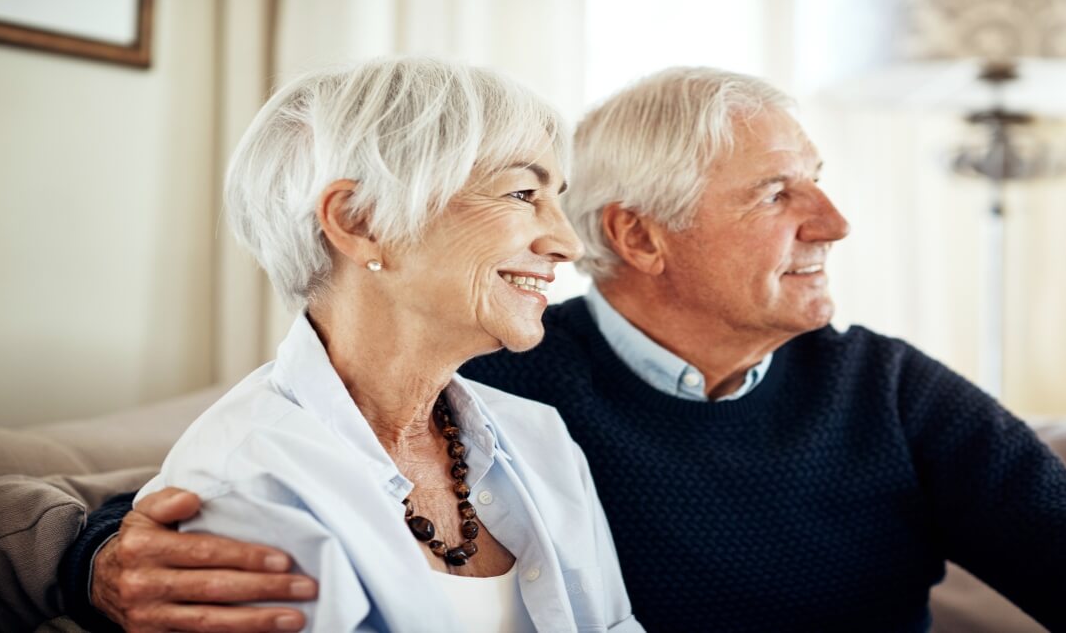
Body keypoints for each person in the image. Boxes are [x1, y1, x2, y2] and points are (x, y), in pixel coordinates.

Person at [16, 67, 1066, 632]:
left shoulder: (878, 385)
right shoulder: (500, 366)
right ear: (644, 235)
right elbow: (291, 464)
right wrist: (97, 555)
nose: (833, 223)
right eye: (780, 193)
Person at [62, 56, 641, 632]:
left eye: (557, 197)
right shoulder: (246, 485)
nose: (568, 243)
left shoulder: (541, 438)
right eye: (521, 193)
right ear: (360, 221)